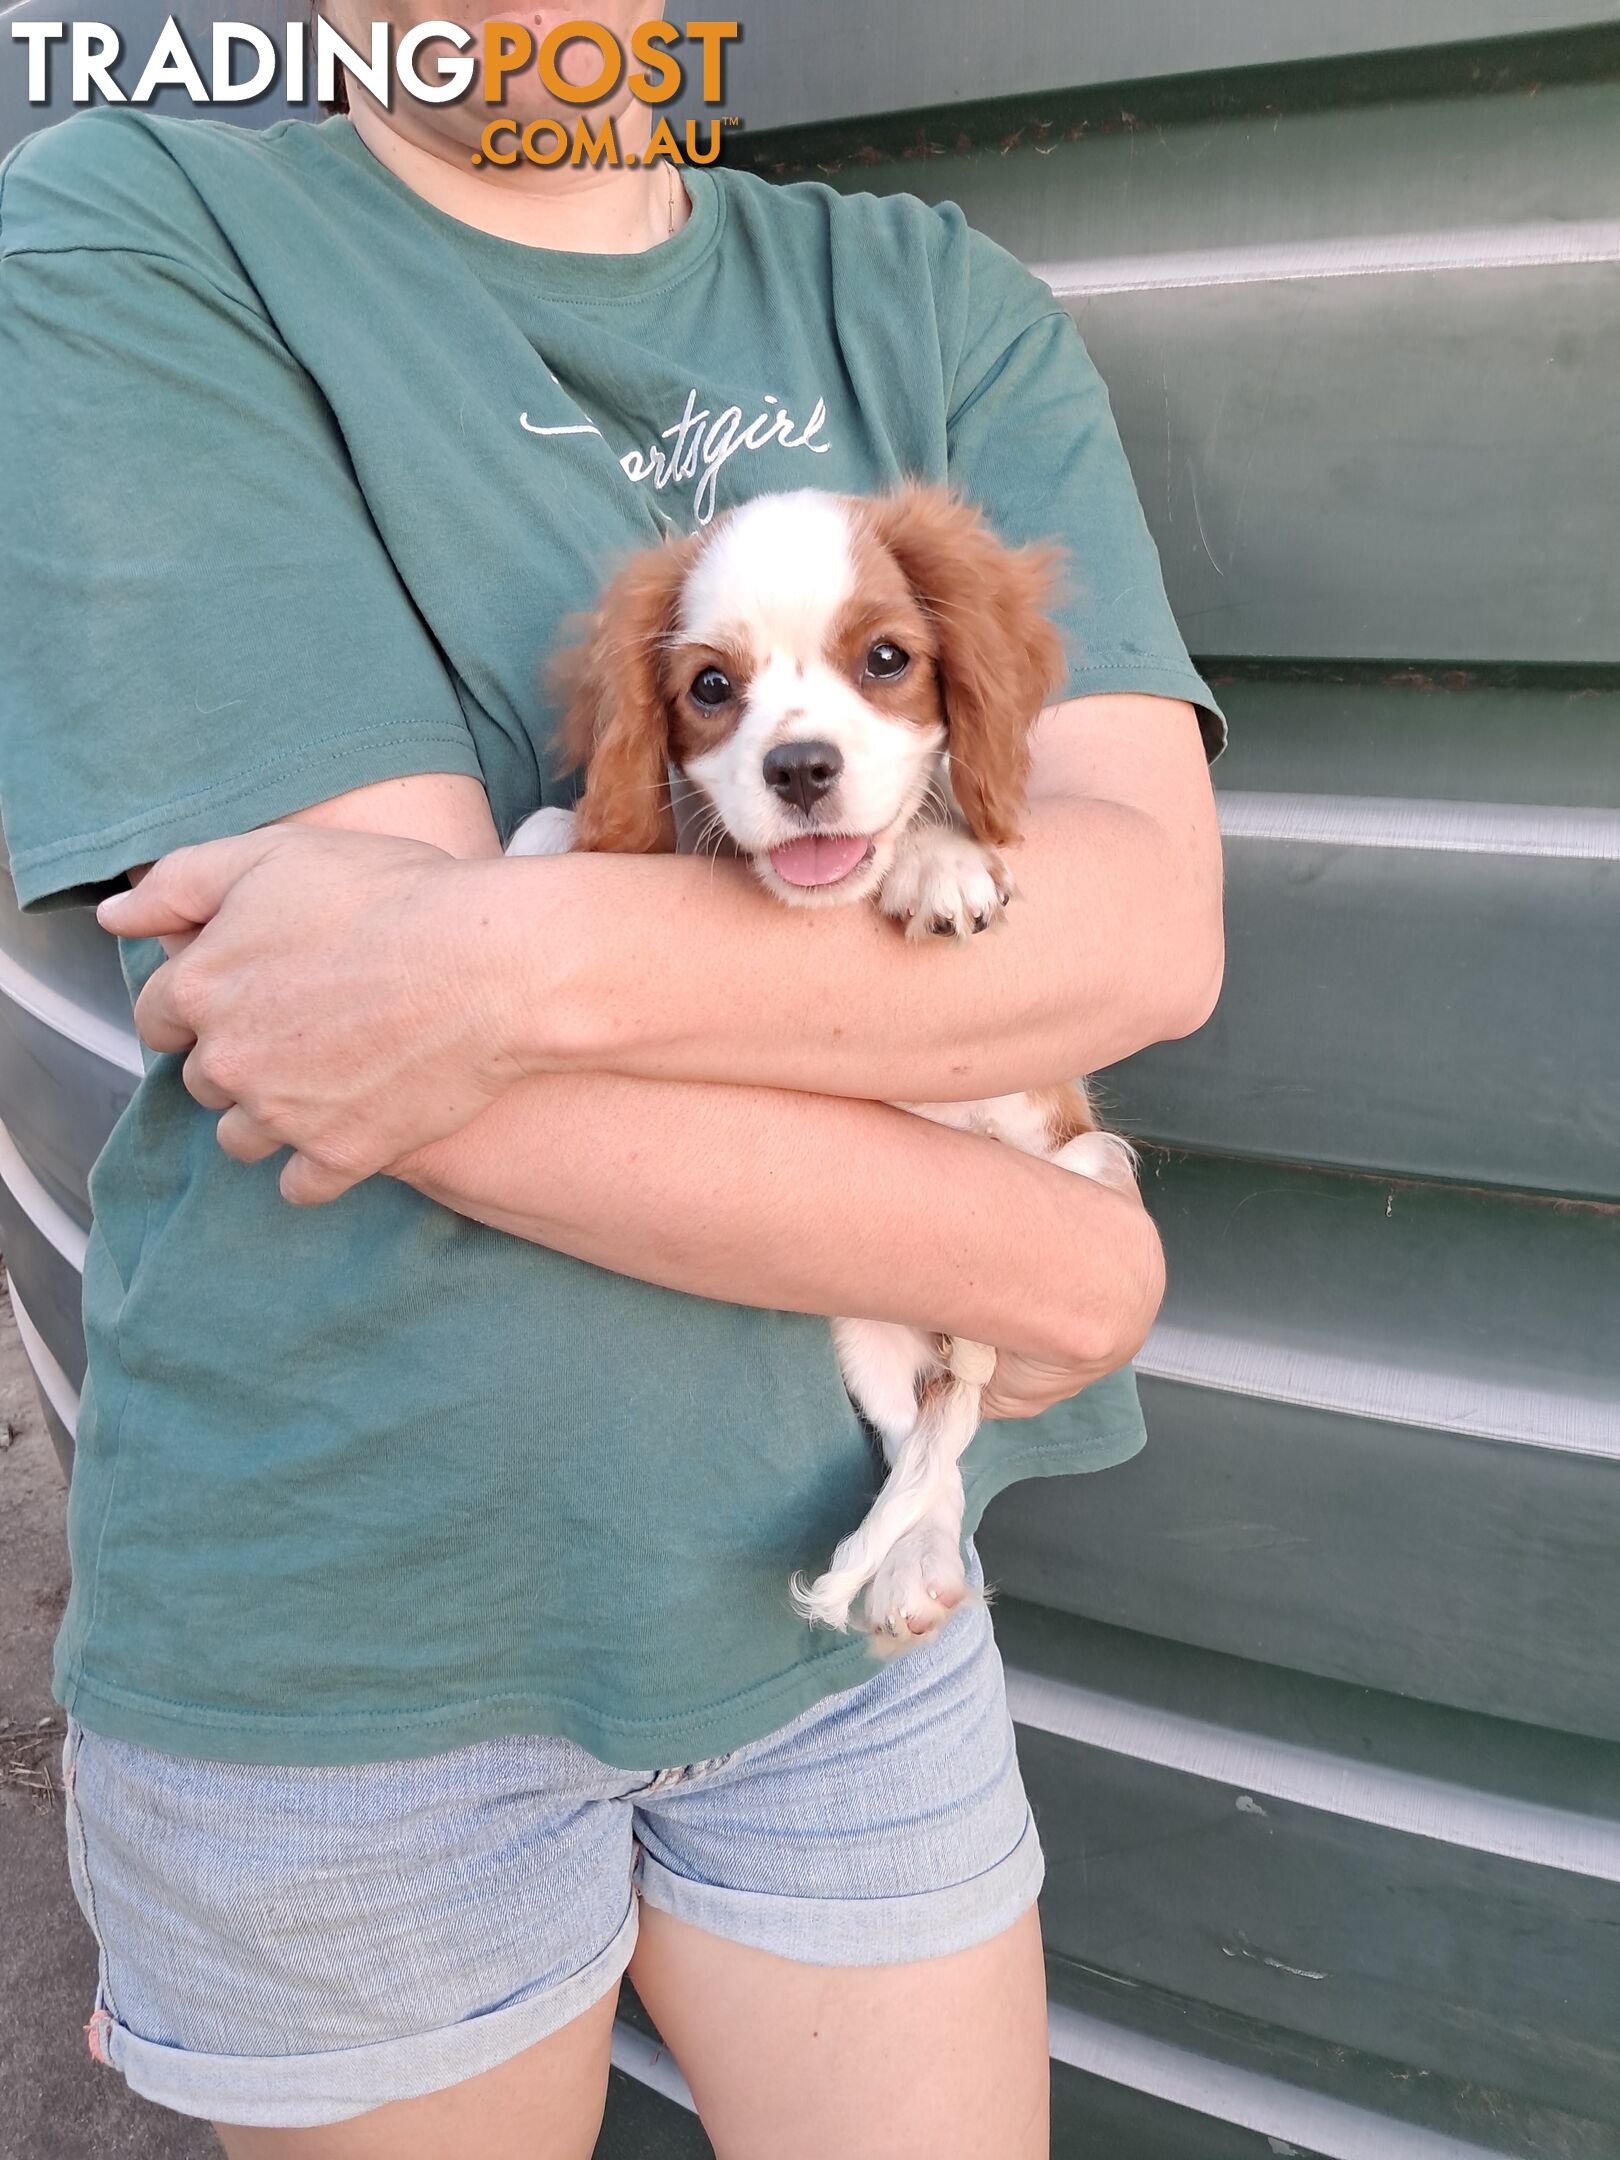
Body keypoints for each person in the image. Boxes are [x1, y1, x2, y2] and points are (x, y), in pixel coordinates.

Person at [0, 8, 1225, 2153]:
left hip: (845, 1598)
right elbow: (342, 1050)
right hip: (357, 1642)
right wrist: (1052, 1259)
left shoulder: (929, 298)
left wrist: (488, 945)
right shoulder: (136, 226)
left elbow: (1144, 928)